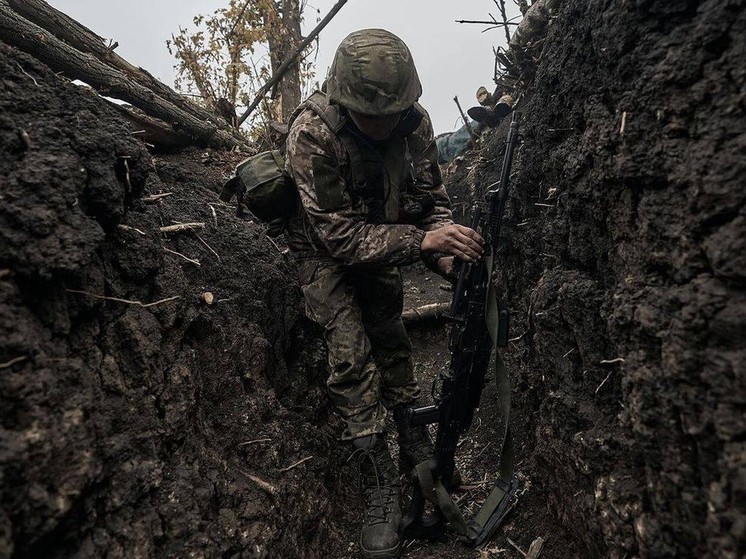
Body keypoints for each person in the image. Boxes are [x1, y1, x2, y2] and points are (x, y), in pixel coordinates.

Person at [284, 29, 484, 558]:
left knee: (393, 344)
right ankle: (377, 481)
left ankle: (414, 449)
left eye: (397, 110)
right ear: (345, 104)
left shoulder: (413, 123)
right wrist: (421, 241)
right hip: (325, 254)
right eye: (376, 115)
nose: (389, 123)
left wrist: (441, 250)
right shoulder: (311, 132)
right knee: (352, 359)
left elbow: (429, 200)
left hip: (385, 243)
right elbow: (338, 237)